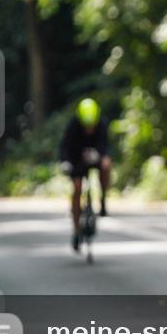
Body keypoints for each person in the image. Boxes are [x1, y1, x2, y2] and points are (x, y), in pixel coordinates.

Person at [59, 98, 111, 251]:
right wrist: (65, 162)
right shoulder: (73, 126)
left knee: (107, 165)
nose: (89, 129)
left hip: (96, 157)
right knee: (77, 187)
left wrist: (101, 156)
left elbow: (106, 147)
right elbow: (64, 147)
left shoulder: (102, 124)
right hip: (76, 161)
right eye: (86, 126)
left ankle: (103, 200)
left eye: (92, 126)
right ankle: (76, 230)